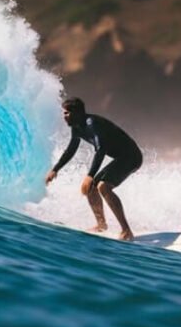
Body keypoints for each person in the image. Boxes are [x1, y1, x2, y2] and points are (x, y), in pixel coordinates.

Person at [44, 97, 143, 240]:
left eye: (66, 113)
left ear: (76, 113)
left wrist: (90, 175)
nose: (63, 116)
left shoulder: (92, 124)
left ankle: (126, 230)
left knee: (103, 186)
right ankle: (101, 224)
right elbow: (71, 149)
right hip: (121, 157)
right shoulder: (76, 127)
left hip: (132, 156)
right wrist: (55, 169)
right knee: (92, 188)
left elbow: (101, 149)